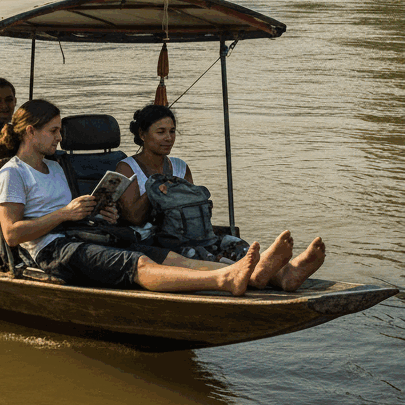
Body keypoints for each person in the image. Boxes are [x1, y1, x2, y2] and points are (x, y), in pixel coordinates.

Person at [0, 98, 321, 296]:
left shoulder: (56, 167)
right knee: (139, 262)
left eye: (60, 130)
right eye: (53, 131)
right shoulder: (13, 173)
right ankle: (224, 278)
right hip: (53, 250)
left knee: (168, 257)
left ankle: (275, 275)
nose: (60, 137)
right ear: (30, 132)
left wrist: (94, 213)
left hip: (83, 233)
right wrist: (65, 214)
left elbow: (72, 213)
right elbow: (11, 233)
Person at [116, 104, 326, 290]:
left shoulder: (180, 166)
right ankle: (265, 276)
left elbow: (194, 207)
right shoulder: (128, 168)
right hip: (159, 240)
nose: (168, 138)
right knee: (201, 255)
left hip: (195, 233)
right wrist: (154, 189)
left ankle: (284, 275)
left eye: (172, 131)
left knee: (234, 244)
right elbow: (133, 218)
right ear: (143, 135)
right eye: (160, 132)